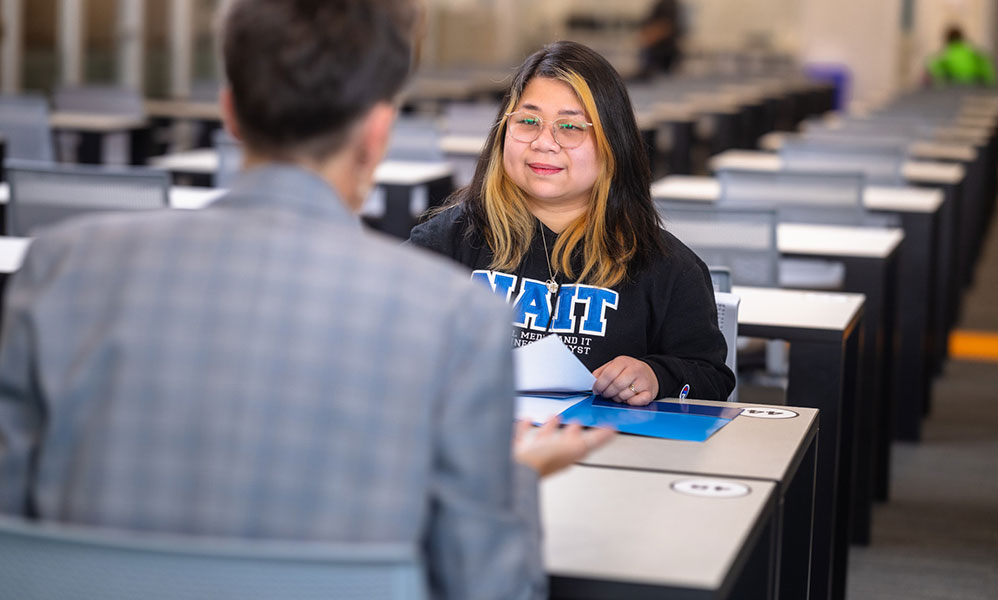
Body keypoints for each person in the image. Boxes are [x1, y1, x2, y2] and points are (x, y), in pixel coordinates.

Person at [0, 1, 612, 598]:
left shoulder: (59, 271)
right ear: (377, 132)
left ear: (230, 113)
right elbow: (489, 587)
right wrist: (515, 483)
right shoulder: (453, 316)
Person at [409, 41, 734, 406]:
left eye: (571, 127)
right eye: (528, 121)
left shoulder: (668, 268)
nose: (544, 142)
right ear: (503, 132)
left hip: (603, 456)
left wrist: (657, 376)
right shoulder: (441, 245)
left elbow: (711, 380)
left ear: (613, 142)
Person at [927, 25, 996, 86]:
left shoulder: (948, 54)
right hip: (974, 81)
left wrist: (941, 82)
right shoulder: (971, 51)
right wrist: (990, 81)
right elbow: (984, 63)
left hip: (956, 81)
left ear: (947, 40)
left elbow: (934, 65)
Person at [637, 0, 683, 79]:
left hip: (663, 56)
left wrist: (649, 37)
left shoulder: (669, 4)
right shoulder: (659, 4)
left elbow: (666, 26)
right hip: (654, 58)